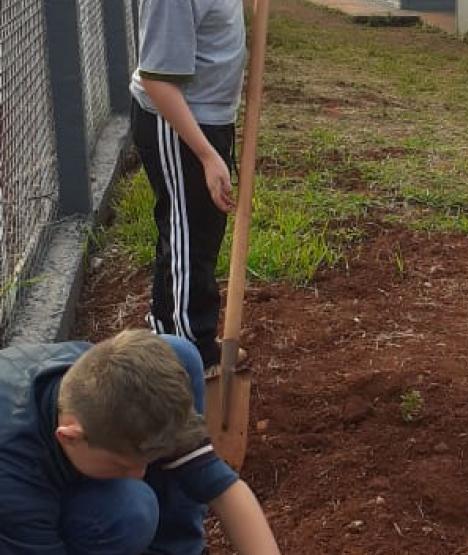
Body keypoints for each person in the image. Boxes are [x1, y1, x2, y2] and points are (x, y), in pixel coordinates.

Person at [0, 330, 280, 554]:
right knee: (128, 510)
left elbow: (224, 489)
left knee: (177, 351)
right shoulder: (14, 482)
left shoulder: (110, 389)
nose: (141, 474)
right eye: (122, 465)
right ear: (69, 436)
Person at [130, 0, 246, 371]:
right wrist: (207, 156)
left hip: (208, 117)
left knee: (192, 232)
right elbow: (157, 79)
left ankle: (165, 332)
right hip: (178, 125)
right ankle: (190, 353)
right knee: (189, 240)